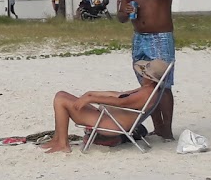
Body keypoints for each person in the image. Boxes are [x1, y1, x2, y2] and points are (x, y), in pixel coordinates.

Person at [118, 0, 194, 140]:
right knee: (147, 85)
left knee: (163, 84)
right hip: (139, 38)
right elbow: (120, 17)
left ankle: (167, 129)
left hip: (160, 37)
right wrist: (126, 12)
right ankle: (157, 126)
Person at [39, 60, 169, 153]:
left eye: (144, 74)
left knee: (60, 99)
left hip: (111, 124)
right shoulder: (148, 90)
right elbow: (119, 95)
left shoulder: (146, 93)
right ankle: (58, 139)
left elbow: (121, 103)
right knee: (62, 95)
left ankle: (63, 144)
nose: (141, 75)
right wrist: (92, 94)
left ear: (151, 78)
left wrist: (92, 99)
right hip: (110, 117)